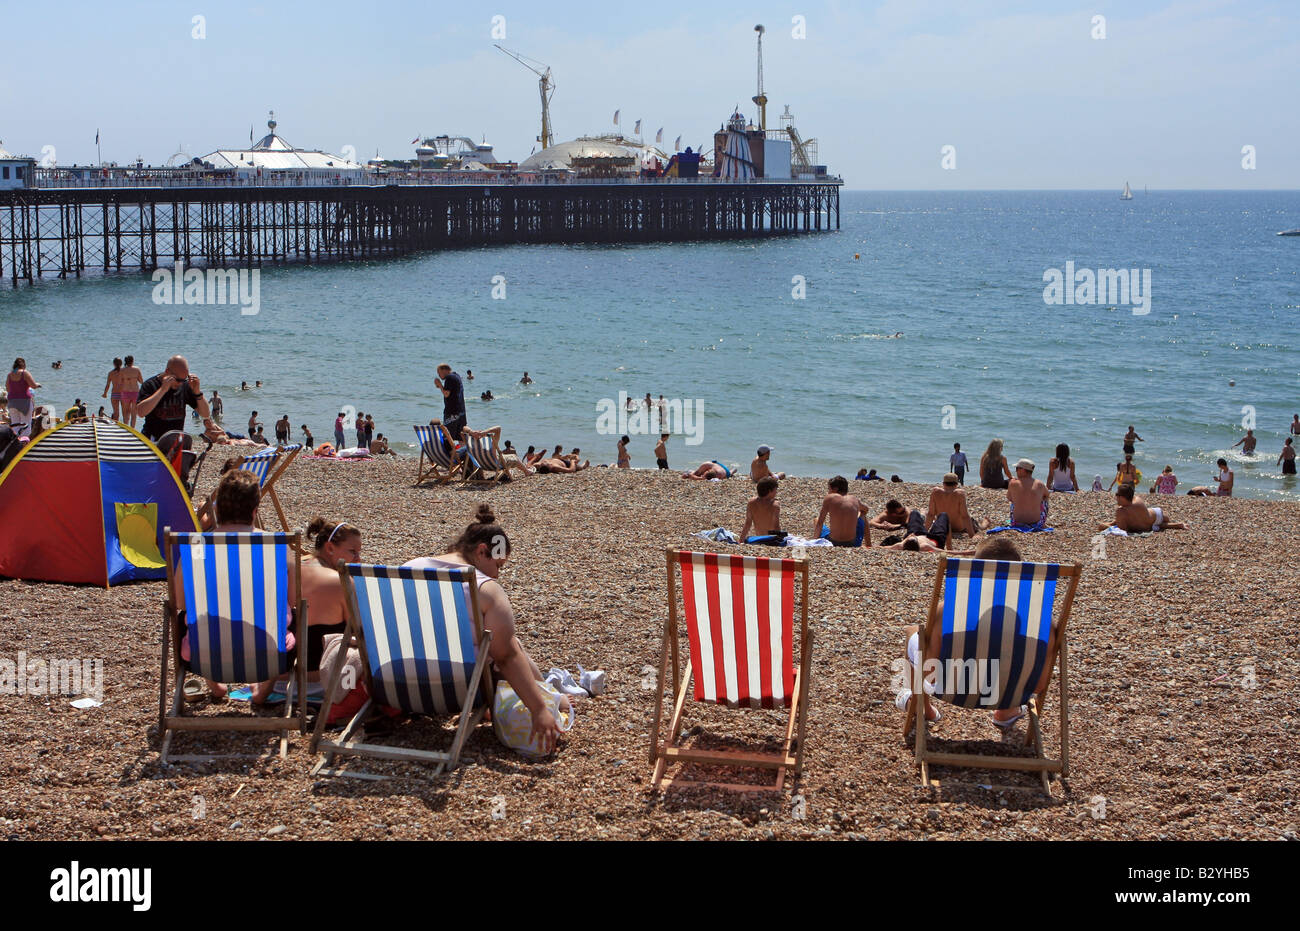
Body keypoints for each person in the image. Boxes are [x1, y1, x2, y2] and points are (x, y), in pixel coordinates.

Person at [404, 505, 571, 754]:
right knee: (507, 645)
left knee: (501, 641)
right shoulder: (485, 589)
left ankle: (550, 692)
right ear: (482, 551)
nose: (498, 575)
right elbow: (506, 657)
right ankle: (550, 697)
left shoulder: (407, 568)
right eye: (499, 566)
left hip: (398, 682)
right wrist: (539, 710)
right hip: (457, 688)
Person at [172, 470, 296, 703]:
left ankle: (216, 684)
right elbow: (295, 599)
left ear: (217, 510)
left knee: (186, 617)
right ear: (254, 510)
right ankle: (262, 690)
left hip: (205, 653)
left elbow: (179, 602)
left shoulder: (197, 547)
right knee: (293, 617)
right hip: (269, 653)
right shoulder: (276, 546)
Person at [897, 537, 1028, 733]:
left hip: (953, 687)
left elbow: (929, 671)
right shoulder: (1035, 619)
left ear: (975, 571)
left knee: (914, 632)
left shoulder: (949, 610)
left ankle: (923, 708)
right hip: (1008, 690)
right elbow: (1041, 681)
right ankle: (1006, 711)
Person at [135, 355, 219, 444]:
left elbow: (205, 414)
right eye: (178, 380)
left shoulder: (185, 386)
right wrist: (162, 390)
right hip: (153, 439)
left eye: (184, 379)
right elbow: (140, 412)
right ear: (167, 372)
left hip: (176, 439)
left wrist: (197, 392)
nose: (180, 383)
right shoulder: (150, 385)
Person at [988, 458, 1051, 531]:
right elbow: (1047, 495)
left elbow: (1009, 498)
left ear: (1023, 470)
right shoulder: (1040, 484)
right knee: (1044, 500)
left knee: (1014, 501)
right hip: (1036, 522)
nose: (1016, 471)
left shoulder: (1013, 483)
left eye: (1017, 469)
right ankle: (1042, 523)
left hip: (1017, 522)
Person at [1098, 484, 1188, 533]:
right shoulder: (1137, 500)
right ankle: (1179, 525)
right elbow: (1131, 516)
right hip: (1157, 514)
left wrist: (1106, 526)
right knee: (1159, 523)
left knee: (1155, 525)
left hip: (1149, 525)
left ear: (1122, 497)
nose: (1116, 497)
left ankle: (1178, 525)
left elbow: (1122, 530)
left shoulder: (1121, 511)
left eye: (1117, 495)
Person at [814, 475, 871, 547]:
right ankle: (869, 545)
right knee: (863, 514)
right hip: (853, 543)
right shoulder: (854, 499)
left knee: (816, 520)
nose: (828, 492)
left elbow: (820, 523)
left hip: (833, 542)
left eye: (829, 489)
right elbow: (866, 509)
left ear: (835, 489)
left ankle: (816, 539)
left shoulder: (829, 498)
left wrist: (814, 542)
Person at [926, 473, 980, 539]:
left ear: (943, 483)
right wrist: (972, 535)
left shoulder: (935, 492)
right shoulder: (960, 494)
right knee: (972, 519)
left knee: (929, 514)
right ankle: (982, 526)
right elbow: (965, 516)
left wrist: (924, 531)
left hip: (943, 527)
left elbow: (931, 514)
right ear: (956, 484)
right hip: (958, 528)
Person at [740, 476, 784, 543]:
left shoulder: (751, 502)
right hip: (770, 539)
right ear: (770, 491)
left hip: (759, 538)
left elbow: (748, 523)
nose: (776, 492)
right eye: (775, 490)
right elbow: (776, 526)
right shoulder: (775, 505)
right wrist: (780, 540)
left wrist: (741, 540)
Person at [5, 359, 40, 436]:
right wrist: (38, 385)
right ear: (23, 365)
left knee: (15, 425)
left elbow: (7, 389)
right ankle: (24, 444)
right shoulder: (25, 373)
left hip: (12, 403)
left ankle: (15, 444)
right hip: (25, 402)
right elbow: (33, 386)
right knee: (26, 425)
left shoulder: (10, 374)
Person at [435, 364, 467, 441]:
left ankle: (450, 452)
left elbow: (446, 394)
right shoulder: (457, 376)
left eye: (439, 373)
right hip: (461, 412)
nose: (439, 375)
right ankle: (462, 452)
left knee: (448, 437)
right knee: (461, 437)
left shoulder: (449, 378)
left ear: (444, 370)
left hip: (452, 412)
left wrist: (440, 385)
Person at [119, 355, 143, 428]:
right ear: (132, 361)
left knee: (126, 412)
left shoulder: (122, 370)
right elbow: (141, 381)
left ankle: (126, 428)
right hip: (135, 392)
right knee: (134, 413)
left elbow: (120, 382)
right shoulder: (137, 369)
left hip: (125, 392)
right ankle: (132, 429)